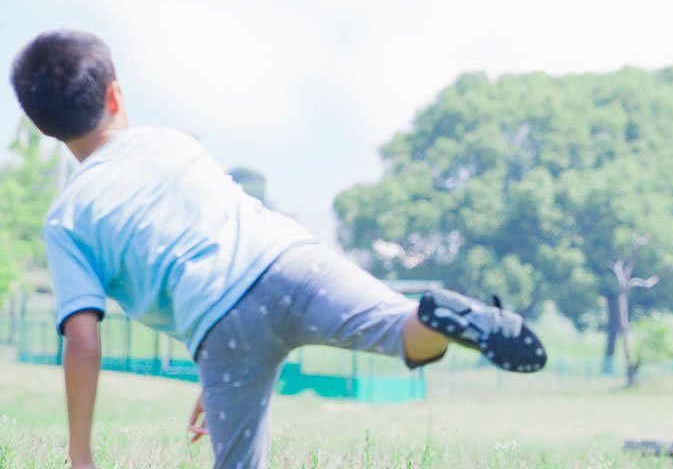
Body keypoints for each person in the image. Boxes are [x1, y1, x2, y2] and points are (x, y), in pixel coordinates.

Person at [9, 30, 547, 469]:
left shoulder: (67, 218)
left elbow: (82, 342)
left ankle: (435, 320)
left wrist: (80, 454)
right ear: (115, 95)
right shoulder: (172, 141)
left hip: (220, 327)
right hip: (288, 257)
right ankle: (441, 315)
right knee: (405, 330)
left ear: (40, 126)